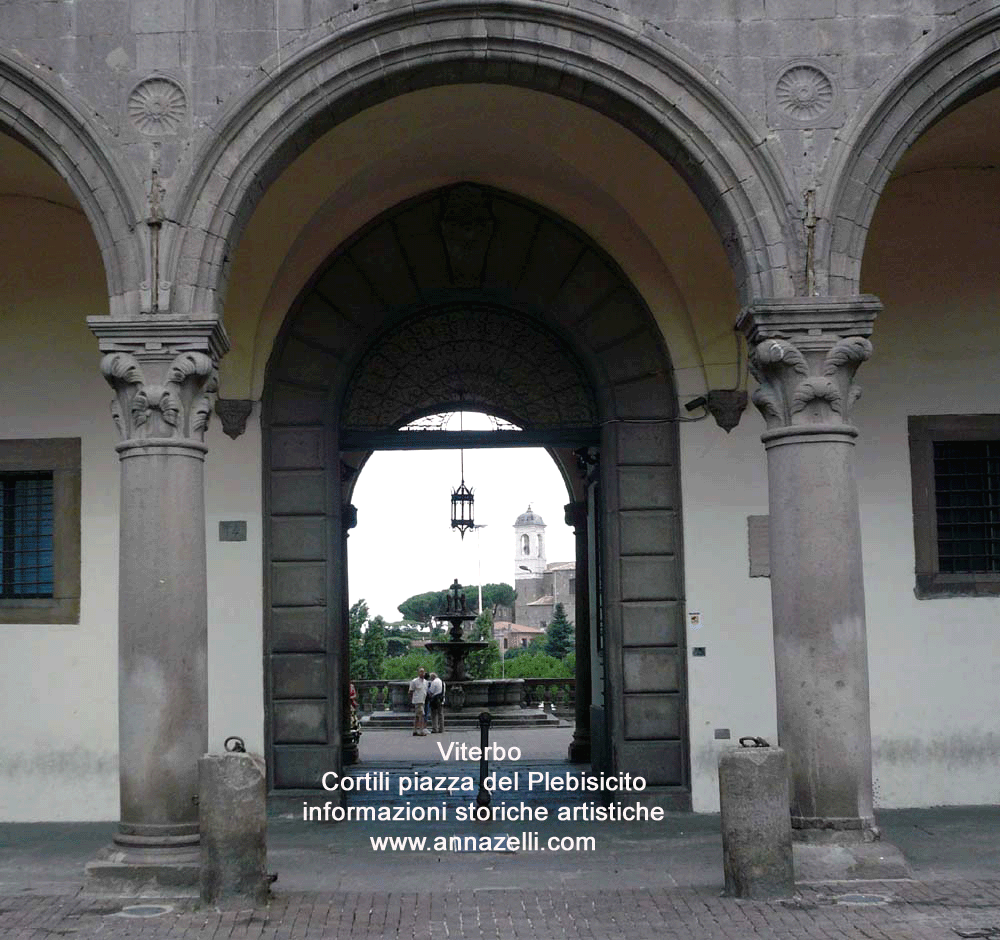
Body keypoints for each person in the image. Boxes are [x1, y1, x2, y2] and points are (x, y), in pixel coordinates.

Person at [408, 667, 428, 736]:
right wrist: (411, 700)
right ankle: (421, 730)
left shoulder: (426, 682)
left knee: (417, 716)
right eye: (421, 672)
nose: (422, 673)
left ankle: (415, 730)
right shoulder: (414, 681)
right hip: (418, 701)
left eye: (423, 672)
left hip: (423, 701)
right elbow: (410, 691)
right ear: (418, 673)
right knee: (422, 715)